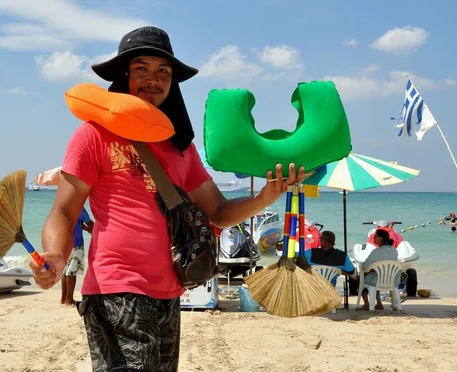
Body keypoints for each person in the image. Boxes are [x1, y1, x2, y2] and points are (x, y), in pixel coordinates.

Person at [29, 26, 305, 372]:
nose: (153, 79)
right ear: (124, 75)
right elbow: (65, 212)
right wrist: (55, 254)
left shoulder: (181, 146)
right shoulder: (93, 135)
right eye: (141, 68)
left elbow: (218, 212)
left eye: (164, 72)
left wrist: (266, 196)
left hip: (171, 293)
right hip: (116, 289)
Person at [358, 229, 400, 311]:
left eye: (375, 236)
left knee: (362, 277)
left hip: (378, 281)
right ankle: (379, 303)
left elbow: (364, 267)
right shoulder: (394, 250)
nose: (373, 238)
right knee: (377, 274)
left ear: (381, 238)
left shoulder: (376, 252)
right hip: (394, 281)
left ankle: (366, 304)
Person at [60, 206, 94, 306]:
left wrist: (86, 229)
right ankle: (69, 299)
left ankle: (64, 298)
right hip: (76, 244)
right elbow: (90, 223)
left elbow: (76, 223)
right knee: (72, 272)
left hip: (65, 243)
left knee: (65, 271)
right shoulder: (79, 208)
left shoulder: (65, 207)